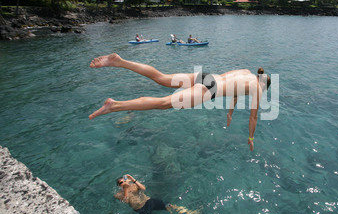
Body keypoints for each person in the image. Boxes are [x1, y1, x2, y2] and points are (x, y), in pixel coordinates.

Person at [89, 53, 271, 151]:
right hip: (210, 90)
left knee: (162, 78)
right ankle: (115, 106)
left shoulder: (246, 72)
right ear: (263, 85)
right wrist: (251, 138)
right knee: (163, 103)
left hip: (207, 77)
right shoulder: (258, 89)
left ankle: (120, 61)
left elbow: (236, 91)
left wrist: (230, 113)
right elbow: (253, 118)